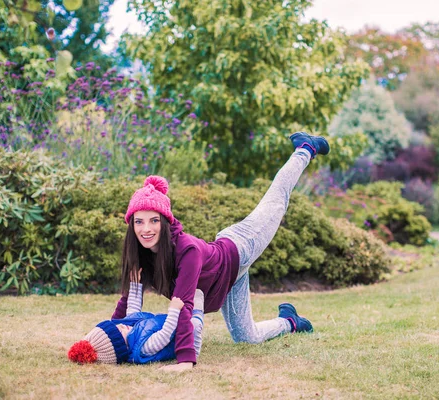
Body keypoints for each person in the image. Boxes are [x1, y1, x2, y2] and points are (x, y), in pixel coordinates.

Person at [112, 132, 329, 371]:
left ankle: (305, 149)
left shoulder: (188, 250)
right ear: (131, 225)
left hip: (240, 246)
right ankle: (290, 321)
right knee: (247, 337)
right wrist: (112, 338)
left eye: (153, 221)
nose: (146, 229)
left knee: (276, 201)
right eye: (139, 222)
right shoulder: (141, 257)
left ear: (165, 222)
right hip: (227, 280)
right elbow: (128, 302)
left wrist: (186, 360)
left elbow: (185, 303)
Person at [68, 269, 205, 365]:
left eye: (116, 325)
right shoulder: (143, 348)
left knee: (190, 307)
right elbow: (165, 335)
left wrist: (135, 284)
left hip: (174, 329)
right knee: (194, 324)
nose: (120, 325)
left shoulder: (130, 330)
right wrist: (174, 310)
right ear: (120, 345)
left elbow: (132, 309)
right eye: (118, 331)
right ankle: (195, 343)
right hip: (181, 340)